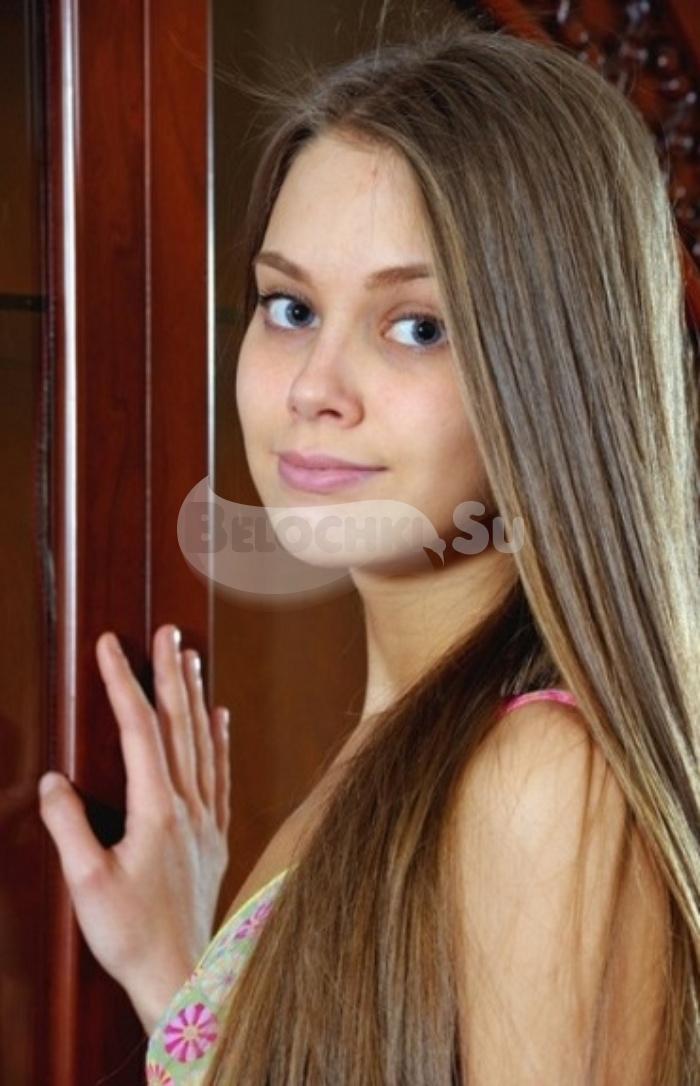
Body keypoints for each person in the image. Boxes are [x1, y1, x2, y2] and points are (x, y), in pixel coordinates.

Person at [38, 3, 700, 1083]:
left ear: (554, 371)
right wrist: (181, 983)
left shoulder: (542, 780)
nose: (314, 388)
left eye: (416, 327)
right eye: (290, 307)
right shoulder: (399, 746)